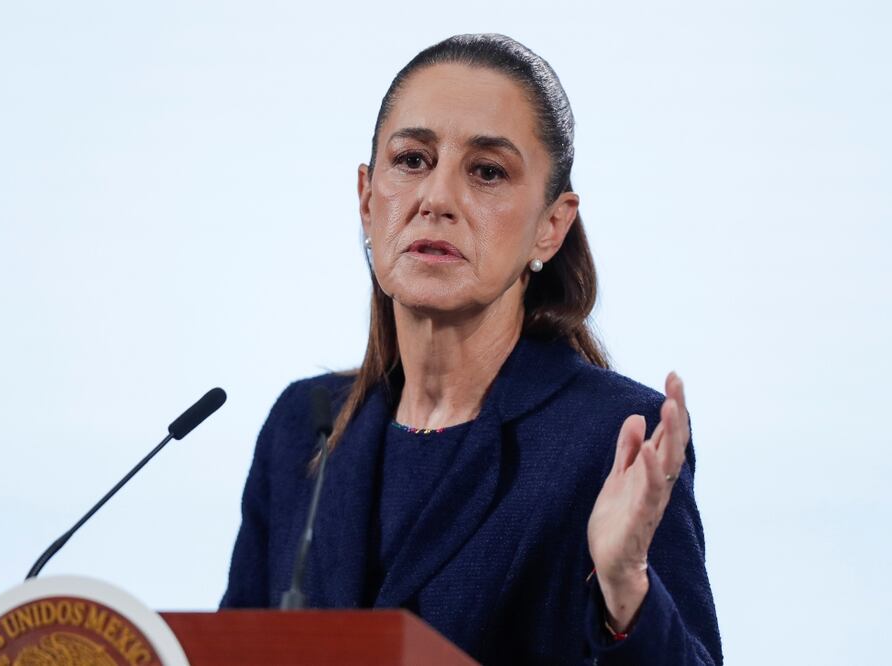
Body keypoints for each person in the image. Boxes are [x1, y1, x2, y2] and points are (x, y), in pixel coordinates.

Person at [221, 34, 722, 665]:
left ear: (552, 225)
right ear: (368, 198)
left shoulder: (613, 438)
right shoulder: (303, 425)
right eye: (411, 160)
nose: (437, 200)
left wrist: (626, 589)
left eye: (487, 172)